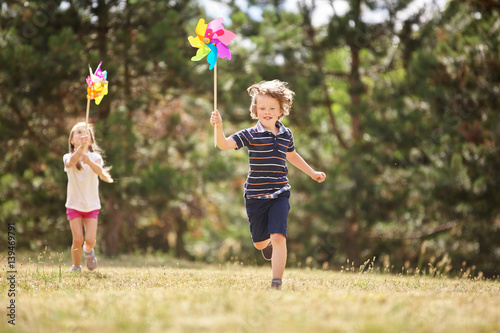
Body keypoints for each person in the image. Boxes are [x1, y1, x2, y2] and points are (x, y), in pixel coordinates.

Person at [210, 80, 326, 289]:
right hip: (255, 196)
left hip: (280, 192)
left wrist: (312, 173)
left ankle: (276, 282)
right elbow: (223, 144)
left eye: (272, 108)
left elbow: (292, 156)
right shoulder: (250, 134)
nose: (267, 112)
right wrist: (218, 127)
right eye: (262, 108)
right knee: (260, 243)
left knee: (279, 236)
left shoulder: (286, 134)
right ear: (255, 110)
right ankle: (266, 246)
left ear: (282, 110)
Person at [63, 122, 113, 272]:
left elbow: (99, 171)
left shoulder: (95, 157)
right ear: (72, 140)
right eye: (78, 132)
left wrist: (88, 161)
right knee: (77, 239)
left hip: (91, 205)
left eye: (86, 132)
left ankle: (89, 251)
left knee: (90, 240)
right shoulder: (68, 156)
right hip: (74, 205)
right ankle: (76, 266)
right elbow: (71, 162)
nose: (82, 134)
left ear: (91, 140)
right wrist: (79, 152)